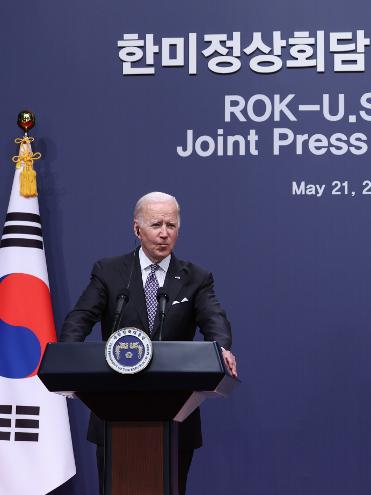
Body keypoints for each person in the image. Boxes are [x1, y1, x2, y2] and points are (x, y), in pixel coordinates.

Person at [60, 191, 238, 495]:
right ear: (136, 229)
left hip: (176, 413)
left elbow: (214, 319)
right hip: (113, 405)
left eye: (172, 225)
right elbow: (80, 317)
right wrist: (66, 358)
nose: (165, 233)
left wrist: (220, 347)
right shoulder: (109, 272)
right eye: (156, 224)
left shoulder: (197, 277)